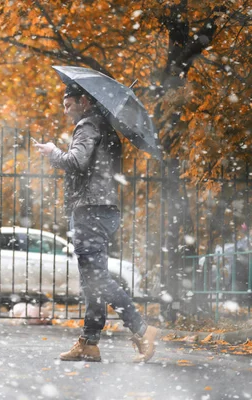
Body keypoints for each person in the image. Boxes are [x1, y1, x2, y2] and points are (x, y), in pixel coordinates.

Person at [34, 82, 159, 363]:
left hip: (90, 211)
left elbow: (76, 162)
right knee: (93, 280)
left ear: (85, 102)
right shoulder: (106, 129)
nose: (66, 111)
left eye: (69, 105)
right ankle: (89, 343)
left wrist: (53, 152)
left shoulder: (88, 125)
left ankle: (141, 328)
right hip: (103, 210)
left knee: (96, 279)